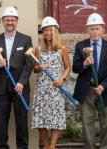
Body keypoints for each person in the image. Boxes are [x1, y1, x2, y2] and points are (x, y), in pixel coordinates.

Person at [72, 13, 107, 149]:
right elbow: (75, 68)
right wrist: (85, 64)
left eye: (97, 28)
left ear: (103, 29)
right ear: (87, 30)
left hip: (105, 90)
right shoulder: (80, 46)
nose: (95, 31)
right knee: (87, 123)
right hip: (86, 90)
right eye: (92, 28)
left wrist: (103, 85)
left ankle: (106, 147)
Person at [0, 6, 33, 149]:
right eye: (7, 20)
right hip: (1, 88)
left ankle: (22, 147)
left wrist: (22, 82)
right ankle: (2, 146)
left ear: (17, 22)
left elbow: (29, 63)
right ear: (3, 22)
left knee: (21, 121)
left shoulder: (26, 39)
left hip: (19, 87)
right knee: (2, 122)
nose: (10, 22)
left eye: (12, 20)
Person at [31, 16, 70, 149]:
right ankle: (46, 146)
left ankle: (52, 146)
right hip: (41, 89)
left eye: (50, 30)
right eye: (45, 30)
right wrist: (38, 67)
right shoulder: (38, 50)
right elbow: (35, 69)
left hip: (55, 88)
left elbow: (67, 67)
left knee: (56, 119)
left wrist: (62, 79)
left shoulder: (62, 49)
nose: (47, 33)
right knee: (40, 119)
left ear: (55, 31)